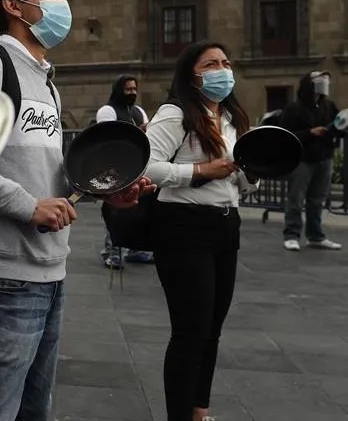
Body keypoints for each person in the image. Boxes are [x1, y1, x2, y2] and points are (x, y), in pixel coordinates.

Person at [0, 0, 153, 421]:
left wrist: (105, 192)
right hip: (2, 272)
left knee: (34, 409)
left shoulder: (47, 83)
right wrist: (27, 207)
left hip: (50, 268)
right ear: (14, 6)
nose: (62, 1)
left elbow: (49, 173)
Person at [144, 41, 257, 421]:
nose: (222, 69)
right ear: (192, 74)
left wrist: (252, 172)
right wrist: (198, 171)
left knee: (212, 329)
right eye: (211, 64)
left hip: (226, 223)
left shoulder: (231, 117)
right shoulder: (176, 114)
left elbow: (238, 180)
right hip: (183, 228)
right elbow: (145, 166)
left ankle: (199, 411)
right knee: (190, 331)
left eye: (226, 62)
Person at [279, 71, 343, 252]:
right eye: (318, 80)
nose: (323, 83)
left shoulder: (328, 105)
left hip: (324, 157)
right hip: (302, 159)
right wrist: (309, 133)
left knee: (317, 199)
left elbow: (337, 126)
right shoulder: (294, 107)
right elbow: (285, 134)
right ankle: (291, 235)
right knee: (296, 199)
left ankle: (315, 235)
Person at [96, 75, 154, 268]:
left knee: (137, 207)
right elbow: (108, 136)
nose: (132, 93)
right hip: (115, 167)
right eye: (128, 89)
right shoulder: (108, 110)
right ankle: (112, 252)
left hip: (137, 166)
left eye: (134, 89)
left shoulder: (138, 111)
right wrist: (138, 130)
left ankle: (135, 249)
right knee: (116, 209)